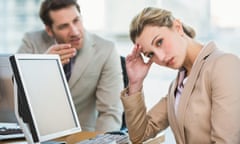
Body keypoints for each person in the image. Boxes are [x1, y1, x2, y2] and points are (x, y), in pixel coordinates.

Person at [121, 7, 240, 143]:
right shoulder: (176, 87)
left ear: (178, 27)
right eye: (150, 54)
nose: (161, 57)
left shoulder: (224, 65)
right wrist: (135, 84)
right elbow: (139, 135)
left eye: (159, 42)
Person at [17, 0, 124, 132]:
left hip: (83, 136)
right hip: (39, 133)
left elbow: (111, 111)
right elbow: (17, 88)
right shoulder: (31, 41)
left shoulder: (106, 50)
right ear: (49, 30)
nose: (74, 32)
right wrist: (43, 66)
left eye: (76, 21)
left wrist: (101, 141)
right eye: (63, 26)